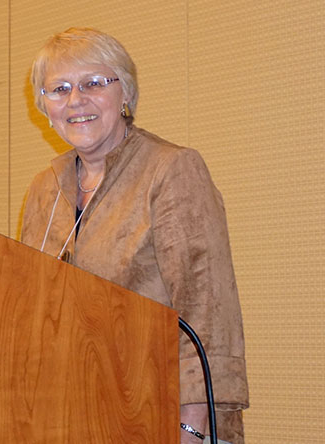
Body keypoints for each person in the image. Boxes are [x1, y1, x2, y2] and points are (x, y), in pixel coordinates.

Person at [21, 27, 249, 444]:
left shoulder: (170, 170)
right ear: (45, 107)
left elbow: (208, 313)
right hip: (65, 417)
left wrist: (191, 428)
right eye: (59, 89)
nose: (76, 100)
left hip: (157, 415)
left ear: (124, 93)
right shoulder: (44, 188)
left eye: (93, 83)